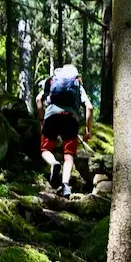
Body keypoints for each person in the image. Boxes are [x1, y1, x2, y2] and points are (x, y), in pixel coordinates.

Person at [36, 64, 93, 198]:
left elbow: (38, 99)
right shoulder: (77, 85)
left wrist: (41, 120)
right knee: (69, 155)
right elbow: (89, 107)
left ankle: (54, 163)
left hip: (52, 116)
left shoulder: (52, 81)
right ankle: (66, 185)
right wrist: (88, 130)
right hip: (71, 119)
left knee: (45, 149)